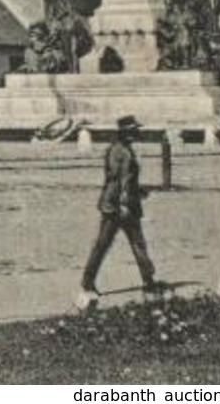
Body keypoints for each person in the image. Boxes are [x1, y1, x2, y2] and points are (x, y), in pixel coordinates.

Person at [80, 115, 161, 302]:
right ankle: (89, 281)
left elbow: (125, 180)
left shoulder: (122, 149)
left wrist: (138, 191)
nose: (137, 133)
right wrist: (124, 204)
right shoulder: (121, 151)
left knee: (122, 243)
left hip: (119, 204)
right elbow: (119, 181)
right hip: (117, 207)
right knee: (111, 244)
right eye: (133, 130)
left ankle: (147, 280)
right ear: (126, 132)